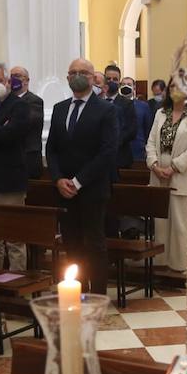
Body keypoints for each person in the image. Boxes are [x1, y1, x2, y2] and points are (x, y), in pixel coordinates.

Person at [46, 58, 118, 295]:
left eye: (83, 72)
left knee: (94, 244)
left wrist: (78, 181)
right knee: (72, 243)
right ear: (67, 78)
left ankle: (97, 294)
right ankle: (78, 289)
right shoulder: (59, 108)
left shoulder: (106, 109)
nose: (77, 75)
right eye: (72, 72)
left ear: (92, 77)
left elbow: (107, 151)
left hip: (92, 189)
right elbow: (52, 149)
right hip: (63, 190)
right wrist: (58, 179)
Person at [0, 61, 34, 270]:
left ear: (8, 82)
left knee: (14, 236)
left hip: (10, 179)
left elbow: (13, 133)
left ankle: (17, 285)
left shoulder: (20, 106)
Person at [146, 82, 187, 271]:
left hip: (181, 174)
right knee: (161, 222)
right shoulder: (160, 113)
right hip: (158, 173)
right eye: (172, 87)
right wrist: (154, 165)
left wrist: (173, 168)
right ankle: (160, 261)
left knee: (180, 223)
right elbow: (150, 142)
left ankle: (180, 264)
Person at [8, 65, 45, 179]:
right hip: (10, 157)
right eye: (11, 76)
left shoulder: (35, 101)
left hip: (28, 157)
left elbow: (27, 122)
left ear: (27, 80)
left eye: (18, 76)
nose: (14, 79)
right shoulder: (6, 100)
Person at [104, 64, 138, 172]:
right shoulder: (96, 102)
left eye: (115, 79)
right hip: (99, 157)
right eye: (108, 78)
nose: (111, 81)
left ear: (119, 82)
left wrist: (114, 142)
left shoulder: (127, 103)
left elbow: (132, 130)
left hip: (120, 157)